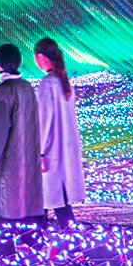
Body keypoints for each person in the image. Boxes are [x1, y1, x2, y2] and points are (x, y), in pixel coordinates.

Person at [0, 43, 42, 259]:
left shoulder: (4, 90)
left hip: (6, 163)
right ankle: (36, 246)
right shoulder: (26, 87)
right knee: (20, 208)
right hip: (26, 161)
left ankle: (5, 255)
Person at [32, 37, 85, 231]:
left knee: (46, 197)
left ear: (41, 57)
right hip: (65, 151)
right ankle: (67, 238)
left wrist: (39, 153)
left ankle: (35, 238)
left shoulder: (48, 83)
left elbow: (43, 121)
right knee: (56, 200)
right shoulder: (64, 83)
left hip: (50, 152)